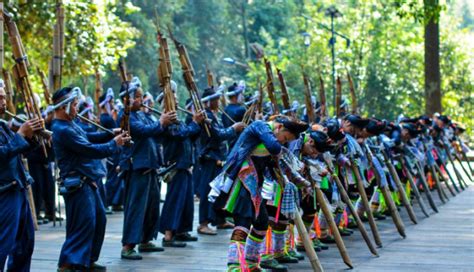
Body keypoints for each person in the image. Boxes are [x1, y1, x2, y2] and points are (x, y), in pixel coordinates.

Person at [210, 115, 308, 271]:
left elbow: (274, 158)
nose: (282, 142)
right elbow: (274, 148)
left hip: (256, 187)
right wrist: (278, 147)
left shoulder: (271, 136)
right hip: (241, 183)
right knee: (243, 222)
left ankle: (251, 263)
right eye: (284, 138)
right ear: (279, 127)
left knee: (261, 222)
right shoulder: (259, 126)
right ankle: (234, 266)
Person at [51, 86, 130, 271]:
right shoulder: (62, 129)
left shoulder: (71, 125)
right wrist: (114, 143)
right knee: (82, 225)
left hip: (87, 181)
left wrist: (111, 133)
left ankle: (87, 260)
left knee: (99, 220)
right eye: (75, 105)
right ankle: (66, 265)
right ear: (64, 107)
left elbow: (88, 136)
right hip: (77, 183)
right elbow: (89, 149)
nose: (77, 108)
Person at [118, 78, 176, 260]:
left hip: (150, 166)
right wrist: (161, 123)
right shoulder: (126, 117)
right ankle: (128, 245)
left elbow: (156, 132)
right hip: (137, 167)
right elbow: (143, 130)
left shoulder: (142, 114)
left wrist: (166, 123)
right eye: (136, 96)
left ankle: (145, 239)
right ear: (126, 100)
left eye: (141, 96)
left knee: (151, 207)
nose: (141, 99)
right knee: (136, 208)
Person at [0, 80, 43, 272]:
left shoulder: (2, 125)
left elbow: (18, 151)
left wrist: (33, 137)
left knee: (25, 245)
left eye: (4, 97)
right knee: (3, 244)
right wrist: (20, 135)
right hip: (4, 193)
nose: (3, 102)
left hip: (18, 188)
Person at [197, 87, 245, 235]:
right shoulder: (206, 116)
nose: (218, 101)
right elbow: (218, 135)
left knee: (219, 190)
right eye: (216, 99)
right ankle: (203, 223)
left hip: (219, 158)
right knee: (207, 191)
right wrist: (234, 128)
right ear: (209, 102)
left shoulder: (214, 114)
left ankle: (219, 220)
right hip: (210, 159)